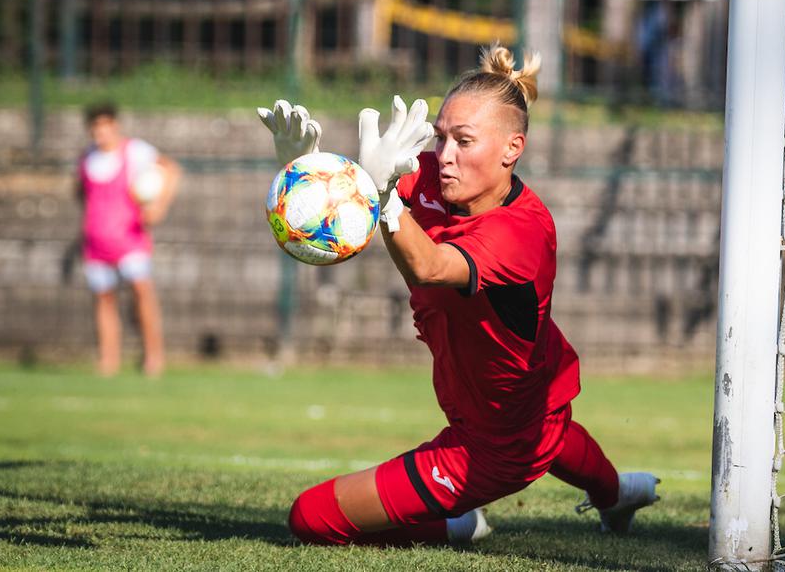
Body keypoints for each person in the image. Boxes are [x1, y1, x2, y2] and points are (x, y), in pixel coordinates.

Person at [256, 45, 660, 547]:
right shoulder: (432, 177)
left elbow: (428, 266)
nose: (444, 155)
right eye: (441, 137)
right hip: (528, 399)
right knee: (554, 431)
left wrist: (384, 200)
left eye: (463, 141)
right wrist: (305, 174)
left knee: (310, 518)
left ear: (512, 149)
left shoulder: (522, 233)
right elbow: (354, 199)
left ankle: (457, 523)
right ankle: (617, 494)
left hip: (491, 450)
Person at [77, 103, 181, 377]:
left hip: (130, 238)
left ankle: (153, 358)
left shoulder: (135, 151)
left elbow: (171, 170)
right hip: (96, 243)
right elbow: (82, 195)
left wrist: (159, 205)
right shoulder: (87, 158)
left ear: (115, 125)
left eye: (105, 125)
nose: (101, 131)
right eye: (95, 126)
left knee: (142, 294)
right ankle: (109, 360)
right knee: (104, 299)